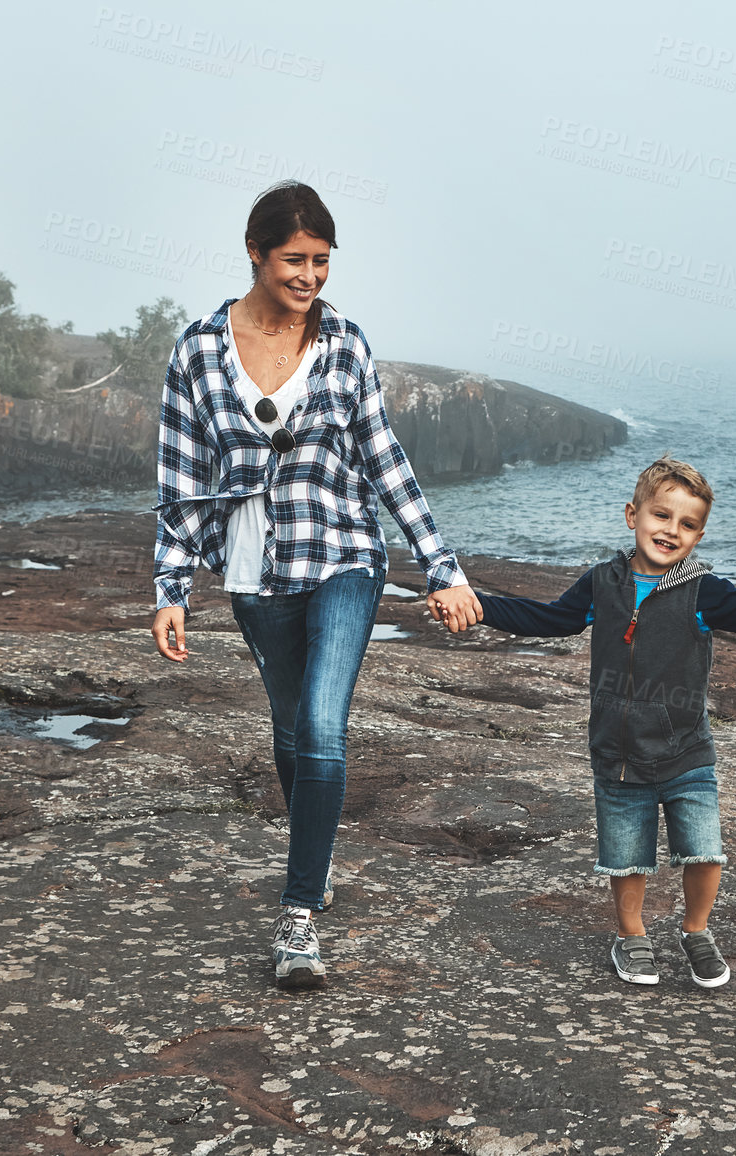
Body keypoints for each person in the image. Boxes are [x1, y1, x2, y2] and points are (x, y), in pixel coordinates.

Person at [150, 180, 483, 991]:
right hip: (254, 571)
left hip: (344, 557)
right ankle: (315, 854)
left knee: (324, 727)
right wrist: (171, 586)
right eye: (294, 260)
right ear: (255, 253)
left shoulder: (345, 344)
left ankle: (298, 915)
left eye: (322, 262)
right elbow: (183, 477)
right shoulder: (197, 350)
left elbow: (383, 456)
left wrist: (440, 566)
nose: (309, 277)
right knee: (290, 729)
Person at [437, 457, 736, 988]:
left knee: (705, 851)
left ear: (699, 535)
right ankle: (632, 936)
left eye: (687, 525)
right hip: (617, 753)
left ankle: (696, 931)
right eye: (661, 515)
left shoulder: (705, 591)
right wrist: (477, 605)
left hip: (686, 751)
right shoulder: (602, 584)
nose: (671, 530)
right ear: (631, 515)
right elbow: (547, 619)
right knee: (627, 859)